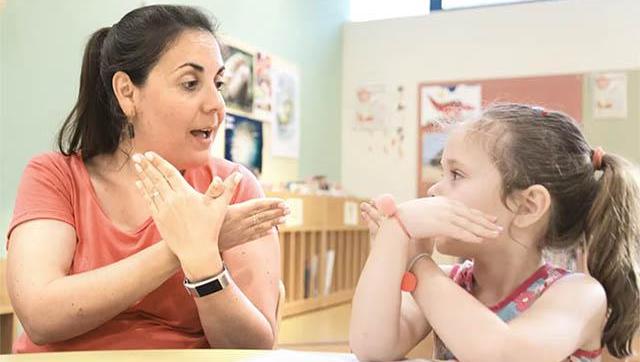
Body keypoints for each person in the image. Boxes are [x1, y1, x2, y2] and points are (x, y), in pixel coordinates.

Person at [6, 5, 288, 352]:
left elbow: (254, 347)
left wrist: (204, 266)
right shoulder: (54, 176)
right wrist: (186, 247)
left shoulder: (234, 187)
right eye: (190, 83)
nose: (217, 105)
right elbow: (40, 317)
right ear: (127, 92)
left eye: (218, 84)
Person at [351, 103, 639, 361]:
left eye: (456, 175)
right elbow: (372, 348)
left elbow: (502, 354)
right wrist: (391, 243)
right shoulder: (450, 283)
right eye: (442, 173)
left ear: (528, 206)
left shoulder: (580, 294)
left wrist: (418, 264)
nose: (434, 190)